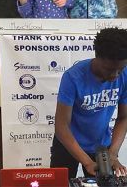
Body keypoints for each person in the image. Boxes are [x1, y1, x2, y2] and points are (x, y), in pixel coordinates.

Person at [52, 28, 127, 179]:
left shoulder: (125, 75)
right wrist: (86, 162)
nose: (115, 75)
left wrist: (112, 154)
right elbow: (61, 126)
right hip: (68, 145)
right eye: (109, 69)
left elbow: (123, 118)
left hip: (100, 146)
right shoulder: (73, 77)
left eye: (121, 69)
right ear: (97, 57)